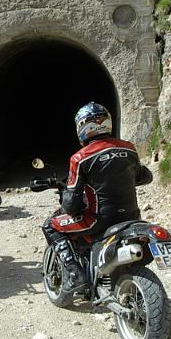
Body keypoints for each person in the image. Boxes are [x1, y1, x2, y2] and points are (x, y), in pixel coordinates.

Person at [42, 102, 153, 291]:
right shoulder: (128, 148)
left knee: (51, 226)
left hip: (99, 220)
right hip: (132, 216)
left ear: (82, 127)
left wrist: (70, 203)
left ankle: (76, 275)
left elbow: (71, 206)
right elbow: (145, 177)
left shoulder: (80, 158)